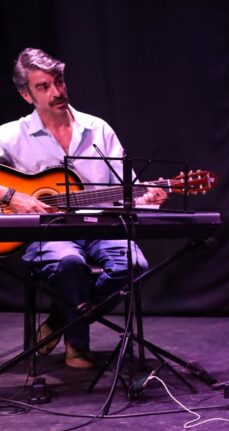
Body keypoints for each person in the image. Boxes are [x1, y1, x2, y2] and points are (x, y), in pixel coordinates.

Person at [0, 48, 167, 369]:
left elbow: (127, 189)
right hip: (46, 233)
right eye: (43, 86)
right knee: (70, 264)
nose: (57, 92)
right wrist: (11, 196)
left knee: (134, 265)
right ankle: (77, 345)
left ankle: (59, 321)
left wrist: (149, 197)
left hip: (100, 227)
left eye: (59, 81)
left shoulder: (97, 128)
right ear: (26, 95)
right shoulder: (10, 135)